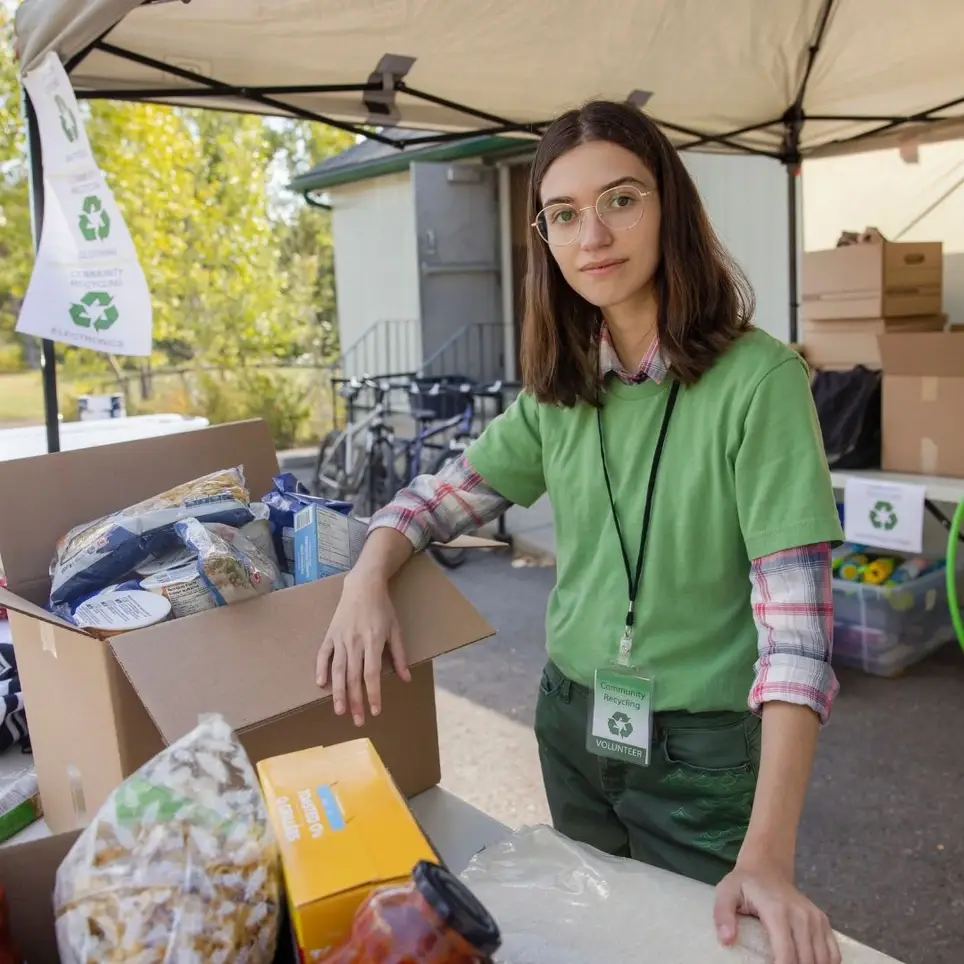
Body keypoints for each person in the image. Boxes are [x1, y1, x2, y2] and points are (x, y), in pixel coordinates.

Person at [317, 99, 844, 964]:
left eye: (621, 200)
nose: (592, 233)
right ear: (546, 240)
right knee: (593, 941)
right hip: (572, 723)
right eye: (564, 214)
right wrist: (366, 576)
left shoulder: (761, 381)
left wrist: (768, 858)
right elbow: (435, 499)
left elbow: (797, 639)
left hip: (700, 750)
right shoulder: (561, 391)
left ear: (670, 206)